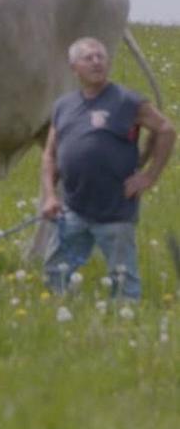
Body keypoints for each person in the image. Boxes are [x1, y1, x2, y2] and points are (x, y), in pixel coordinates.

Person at [40, 37, 176, 298]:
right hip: (73, 208)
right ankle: (60, 318)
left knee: (124, 280)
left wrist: (149, 176)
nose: (96, 62)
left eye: (101, 56)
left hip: (115, 210)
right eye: (88, 58)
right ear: (74, 68)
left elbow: (166, 130)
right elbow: (50, 155)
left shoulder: (127, 100)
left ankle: (125, 326)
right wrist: (49, 196)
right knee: (55, 274)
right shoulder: (62, 106)